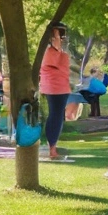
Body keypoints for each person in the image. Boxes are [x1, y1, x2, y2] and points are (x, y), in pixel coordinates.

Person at [39, 25, 71, 159]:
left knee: (56, 116)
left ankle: (52, 146)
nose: (61, 40)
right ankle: (52, 148)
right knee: (56, 116)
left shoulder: (55, 52)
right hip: (55, 88)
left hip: (60, 88)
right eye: (58, 37)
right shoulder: (49, 53)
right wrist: (55, 33)